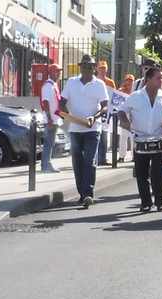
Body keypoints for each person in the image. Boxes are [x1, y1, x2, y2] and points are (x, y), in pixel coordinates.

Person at [118, 67, 162, 212]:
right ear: (148, 79)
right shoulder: (135, 96)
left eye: (161, 78)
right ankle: (146, 202)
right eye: (158, 78)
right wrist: (125, 121)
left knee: (159, 173)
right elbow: (121, 110)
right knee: (141, 174)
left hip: (159, 138)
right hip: (140, 138)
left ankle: (160, 201)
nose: (161, 81)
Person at [59, 55, 110, 209]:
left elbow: (105, 106)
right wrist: (70, 117)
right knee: (77, 162)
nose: (87, 68)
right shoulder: (71, 82)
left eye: (90, 66)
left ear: (94, 68)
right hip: (75, 129)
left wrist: (94, 117)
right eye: (85, 66)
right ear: (80, 67)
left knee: (89, 160)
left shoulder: (99, 84)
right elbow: (62, 103)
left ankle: (88, 193)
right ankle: (82, 193)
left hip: (92, 128)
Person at [38, 63, 64, 173]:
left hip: (54, 118)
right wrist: (49, 118)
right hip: (51, 119)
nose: (59, 74)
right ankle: (46, 165)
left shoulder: (53, 85)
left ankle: (47, 164)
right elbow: (45, 103)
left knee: (50, 142)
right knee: (48, 143)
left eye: (59, 72)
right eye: (56, 71)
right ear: (51, 73)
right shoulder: (48, 86)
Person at [96, 60, 117, 166]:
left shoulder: (110, 82)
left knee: (104, 136)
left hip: (106, 113)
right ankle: (95, 158)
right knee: (95, 136)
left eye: (104, 68)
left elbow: (115, 97)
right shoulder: (94, 81)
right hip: (95, 111)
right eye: (101, 68)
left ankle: (102, 158)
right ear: (97, 69)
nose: (102, 70)